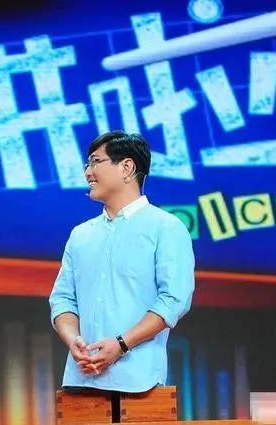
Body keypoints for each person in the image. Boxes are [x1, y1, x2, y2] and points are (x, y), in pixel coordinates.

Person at [49, 130, 194, 392]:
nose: (88, 173)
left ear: (127, 167)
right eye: (87, 165)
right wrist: (73, 341)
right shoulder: (80, 234)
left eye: (96, 162)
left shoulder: (166, 227)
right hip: (80, 380)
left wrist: (121, 344)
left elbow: (174, 299)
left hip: (139, 383)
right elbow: (62, 299)